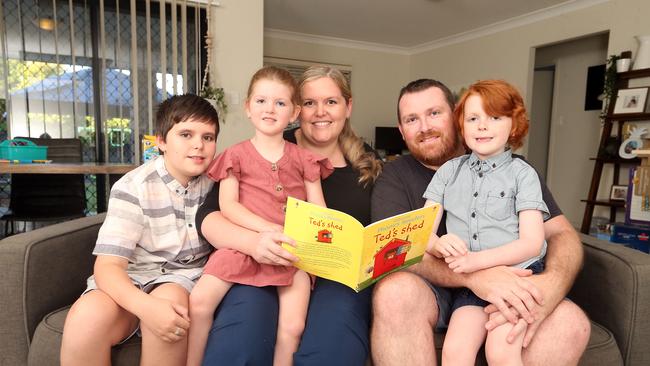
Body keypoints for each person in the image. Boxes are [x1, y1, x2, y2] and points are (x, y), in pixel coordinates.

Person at [370, 79, 591, 365]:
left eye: (434, 113)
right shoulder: (400, 175)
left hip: (518, 274)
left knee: (564, 325)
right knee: (401, 298)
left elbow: (557, 234)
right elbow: (401, 246)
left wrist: (550, 285)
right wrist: (474, 274)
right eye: (412, 119)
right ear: (401, 130)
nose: (425, 126)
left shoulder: (520, 172)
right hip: (444, 289)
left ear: (453, 115)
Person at [195, 65, 383, 365]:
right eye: (310, 103)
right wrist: (254, 243)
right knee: (242, 339)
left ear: (348, 107)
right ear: (298, 110)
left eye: (331, 102)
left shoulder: (368, 161)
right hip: (264, 260)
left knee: (332, 346)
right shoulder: (267, 150)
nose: (320, 111)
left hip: (337, 278)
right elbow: (211, 215)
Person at [186, 66, 332, 366]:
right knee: (199, 303)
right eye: (262, 101)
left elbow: (319, 210)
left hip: (291, 252)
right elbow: (228, 206)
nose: (270, 109)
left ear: (293, 113)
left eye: (280, 103)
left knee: (293, 327)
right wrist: (265, 230)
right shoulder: (235, 156)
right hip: (241, 248)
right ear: (248, 107)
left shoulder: (306, 159)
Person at [60, 94, 219, 366]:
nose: (198, 145)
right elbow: (108, 265)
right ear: (161, 141)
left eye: (208, 137)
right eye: (186, 134)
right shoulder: (132, 186)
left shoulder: (217, 182)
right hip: (131, 278)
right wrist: (145, 307)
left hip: (181, 279)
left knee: (171, 303)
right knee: (86, 317)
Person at [424, 80, 549, 365]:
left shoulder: (523, 174)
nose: (482, 126)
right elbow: (423, 234)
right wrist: (440, 244)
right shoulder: (448, 172)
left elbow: (532, 243)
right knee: (455, 352)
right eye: (473, 118)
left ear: (514, 126)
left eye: (494, 117)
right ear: (461, 125)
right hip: (471, 286)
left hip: (517, 276)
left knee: (500, 350)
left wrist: (476, 262)